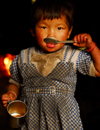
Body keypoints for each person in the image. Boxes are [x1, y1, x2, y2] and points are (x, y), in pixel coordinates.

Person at [1, 0, 100, 129]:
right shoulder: (23, 57)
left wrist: (91, 47)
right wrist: (11, 94)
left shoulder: (73, 56)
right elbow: (15, 83)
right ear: (32, 30)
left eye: (59, 28)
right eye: (44, 27)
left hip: (64, 122)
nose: (51, 34)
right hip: (32, 122)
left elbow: (98, 70)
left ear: (69, 32)